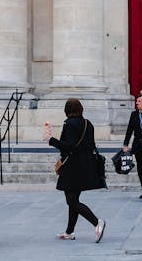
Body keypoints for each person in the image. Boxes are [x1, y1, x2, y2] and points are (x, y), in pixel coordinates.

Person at [44, 98, 106, 243]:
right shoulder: (87, 123)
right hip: (85, 166)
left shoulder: (70, 124)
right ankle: (69, 232)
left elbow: (69, 146)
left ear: (67, 110)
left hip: (73, 167)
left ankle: (97, 222)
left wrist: (50, 139)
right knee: (73, 200)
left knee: (71, 201)